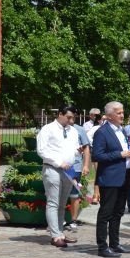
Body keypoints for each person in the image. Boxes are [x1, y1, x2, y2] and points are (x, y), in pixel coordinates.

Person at [92, 102, 130, 258]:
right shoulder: (102, 132)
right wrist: (120, 154)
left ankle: (115, 244)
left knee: (118, 212)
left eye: (123, 112)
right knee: (106, 212)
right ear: (109, 115)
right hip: (109, 178)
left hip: (124, 177)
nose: (122, 115)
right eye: (118, 113)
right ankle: (102, 246)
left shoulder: (121, 131)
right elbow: (97, 155)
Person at [36, 105, 82, 248]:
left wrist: (77, 151)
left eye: (72, 117)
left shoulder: (72, 131)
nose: (70, 120)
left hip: (68, 170)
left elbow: (73, 149)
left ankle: (60, 233)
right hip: (53, 169)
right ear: (60, 114)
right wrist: (58, 162)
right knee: (53, 202)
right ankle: (55, 235)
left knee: (62, 203)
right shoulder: (48, 129)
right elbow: (41, 150)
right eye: (68, 117)